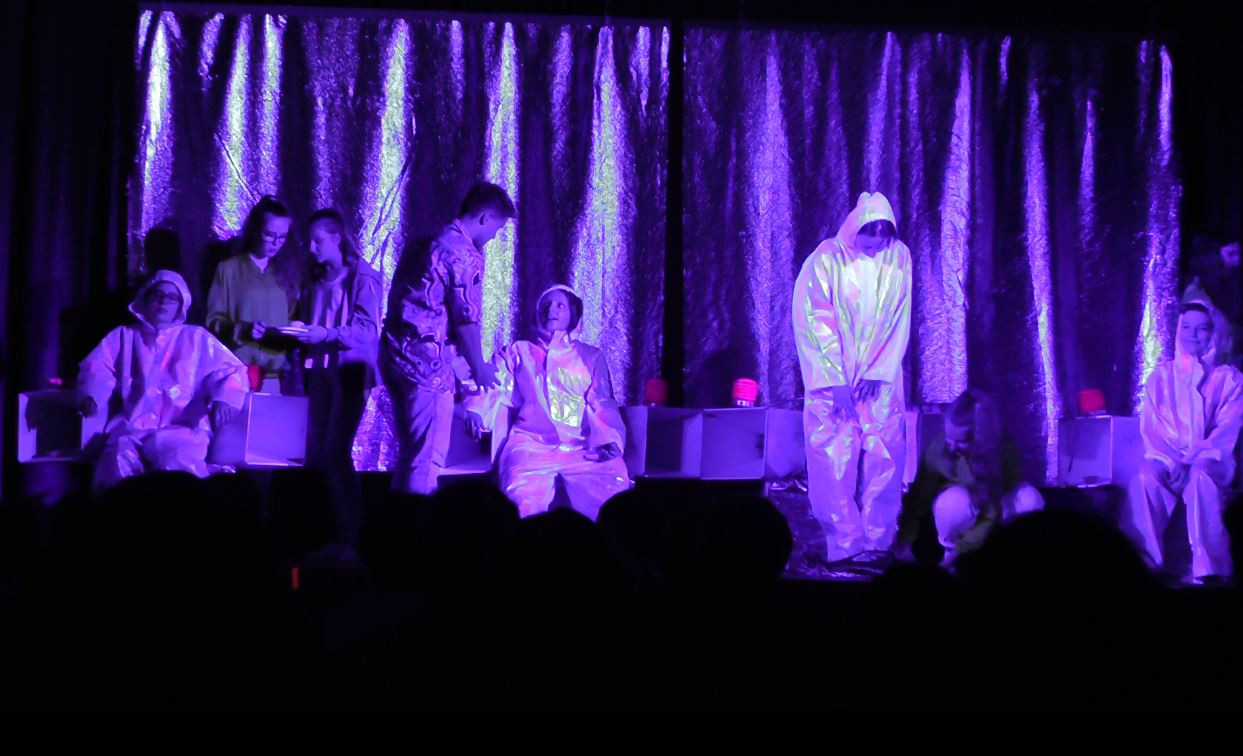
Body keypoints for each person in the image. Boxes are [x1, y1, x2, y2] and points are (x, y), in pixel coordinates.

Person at [792, 191, 912, 562]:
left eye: (881, 236)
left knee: (885, 459)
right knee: (832, 460)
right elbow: (814, 320)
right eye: (868, 235)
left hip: (880, 382)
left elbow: (899, 316)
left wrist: (879, 370)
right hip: (835, 385)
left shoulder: (898, 256)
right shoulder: (827, 258)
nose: (875, 244)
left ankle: (877, 545)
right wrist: (834, 380)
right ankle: (843, 547)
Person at [380, 182, 514, 493]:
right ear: (485, 218)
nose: (494, 236)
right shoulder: (463, 253)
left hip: (395, 355)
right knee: (427, 458)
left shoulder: (423, 243)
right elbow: (466, 319)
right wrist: (478, 367)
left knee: (410, 454)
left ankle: (397, 515)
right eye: (497, 228)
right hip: (426, 365)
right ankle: (415, 519)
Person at [463, 285, 630, 519]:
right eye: (546, 305)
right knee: (521, 500)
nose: (551, 310)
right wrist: (476, 409)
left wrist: (610, 438)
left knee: (613, 489)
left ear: (573, 313)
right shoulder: (519, 351)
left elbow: (602, 402)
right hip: (530, 443)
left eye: (560, 305)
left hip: (582, 446)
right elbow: (495, 381)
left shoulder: (590, 356)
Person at [77, 271, 247, 488]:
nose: (164, 301)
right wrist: (92, 394)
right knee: (117, 464)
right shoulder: (124, 336)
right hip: (132, 427)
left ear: (181, 305)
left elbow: (230, 370)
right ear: (145, 298)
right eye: (158, 294)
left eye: (172, 297)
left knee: (178, 470)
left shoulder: (197, 338)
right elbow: (97, 366)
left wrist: (225, 399)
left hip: (183, 429)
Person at [287, 208, 382, 558]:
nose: (311, 248)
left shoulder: (362, 277)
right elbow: (311, 317)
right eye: (309, 242)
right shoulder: (314, 277)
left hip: (349, 370)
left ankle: (352, 535)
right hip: (318, 369)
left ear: (337, 239)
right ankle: (332, 533)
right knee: (321, 453)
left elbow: (367, 329)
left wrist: (326, 334)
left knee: (336, 451)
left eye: (318, 241)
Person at [1126, 302, 1243, 579]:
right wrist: (1171, 461)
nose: (1193, 335)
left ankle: (1209, 568)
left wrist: (1191, 460)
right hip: (1170, 458)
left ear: (1213, 333)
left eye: (1201, 329)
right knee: (1144, 477)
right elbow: (1153, 429)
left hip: (1211, 459)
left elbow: (1226, 431)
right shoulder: (1161, 377)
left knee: (1201, 475)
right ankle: (1146, 563)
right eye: (1187, 327)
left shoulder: (1230, 379)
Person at [898, 389, 1044, 565]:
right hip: (964, 511)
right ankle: (952, 557)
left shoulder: (1003, 452)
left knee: (1028, 500)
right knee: (953, 503)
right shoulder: (938, 447)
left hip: (997, 512)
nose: (952, 447)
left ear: (981, 438)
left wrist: (963, 549)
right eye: (949, 439)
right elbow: (917, 499)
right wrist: (905, 542)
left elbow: (991, 513)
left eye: (961, 442)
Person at [206, 195, 297, 389]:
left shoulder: (286, 273)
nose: (276, 243)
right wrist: (242, 330)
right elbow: (213, 321)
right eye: (269, 235)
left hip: (275, 377)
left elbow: (291, 317)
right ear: (255, 230)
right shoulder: (229, 269)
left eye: (282, 237)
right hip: (237, 373)